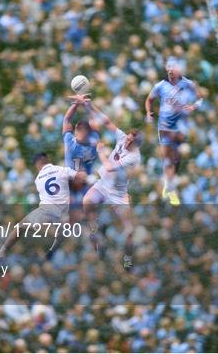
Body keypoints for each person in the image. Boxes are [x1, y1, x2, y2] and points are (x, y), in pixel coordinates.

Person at [83, 100, 142, 271]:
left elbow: (109, 167)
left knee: (129, 230)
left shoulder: (134, 157)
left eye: (133, 139)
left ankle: (128, 261)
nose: (128, 139)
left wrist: (101, 152)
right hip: (103, 185)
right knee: (87, 202)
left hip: (118, 193)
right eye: (130, 135)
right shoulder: (123, 138)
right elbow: (107, 121)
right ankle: (97, 241)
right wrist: (89, 105)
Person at [0, 152, 85, 260]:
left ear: (37, 165)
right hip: (64, 212)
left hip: (47, 211)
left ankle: (2, 251)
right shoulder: (62, 169)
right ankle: (56, 246)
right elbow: (80, 178)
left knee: (20, 227)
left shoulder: (38, 179)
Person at [145, 58, 203, 205]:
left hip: (181, 127)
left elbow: (200, 99)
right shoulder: (160, 86)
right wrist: (148, 112)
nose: (170, 70)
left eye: (173, 67)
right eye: (168, 68)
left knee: (177, 158)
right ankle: (170, 189)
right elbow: (149, 100)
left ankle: (168, 184)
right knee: (167, 158)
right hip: (164, 126)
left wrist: (194, 106)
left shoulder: (188, 84)